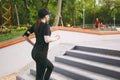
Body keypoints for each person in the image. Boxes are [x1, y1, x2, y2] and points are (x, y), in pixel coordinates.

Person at [23, 8, 60, 80]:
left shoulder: (36, 25)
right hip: (41, 54)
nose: (49, 16)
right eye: (48, 15)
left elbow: (25, 36)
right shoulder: (46, 26)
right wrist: (56, 38)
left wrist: (33, 44)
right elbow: (47, 40)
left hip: (34, 52)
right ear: (46, 16)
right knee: (44, 72)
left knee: (45, 70)